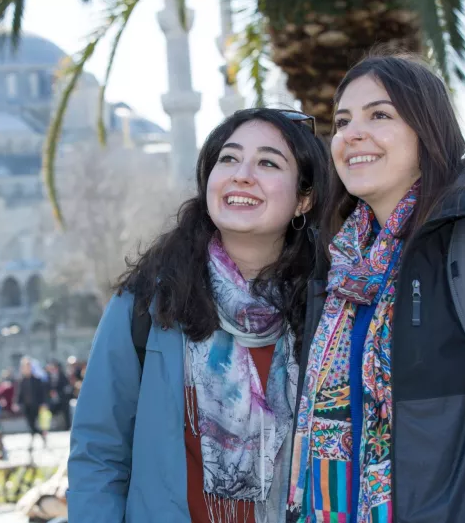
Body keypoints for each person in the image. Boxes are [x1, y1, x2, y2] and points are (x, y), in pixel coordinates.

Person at [287, 53, 465, 523]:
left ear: (428, 130)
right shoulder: (340, 267)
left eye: (380, 115)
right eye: (342, 121)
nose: (352, 134)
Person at [68, 107, 329, 523]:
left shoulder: (332, 309)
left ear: (305, 198)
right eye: (228, 159)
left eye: (267, 162)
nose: (242, 174)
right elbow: (99, 452)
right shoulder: (148, 305)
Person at [16, 356, 47, 447]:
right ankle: (41, 434)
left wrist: (43, 403)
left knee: (33, 423)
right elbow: (19, 393)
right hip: (26, 405)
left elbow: (42, 393)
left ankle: (34, 438)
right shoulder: (21, 380)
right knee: (30, 424)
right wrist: (17, 403)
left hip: (35, 405)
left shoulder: (37, 379)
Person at [46, 361, 73, 431]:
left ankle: (68, 426)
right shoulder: (48, 377)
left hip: (62, 398)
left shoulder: (62, 376)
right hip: (52, 400)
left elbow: (67, 388)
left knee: (66, 410)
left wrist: (58, 393)